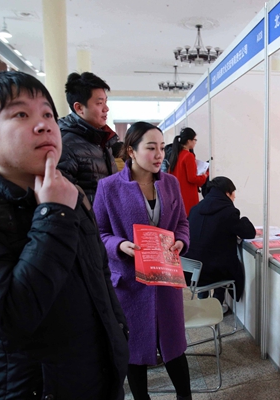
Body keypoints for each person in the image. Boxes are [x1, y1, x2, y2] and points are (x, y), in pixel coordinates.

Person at [0, 71, 129, 399]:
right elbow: (11, 316)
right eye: (21, 114)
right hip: (29, 386)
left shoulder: (67, 191)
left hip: (95, 375)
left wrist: (118, 339)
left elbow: (99, 279)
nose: (44, 124)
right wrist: (53, 215)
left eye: (47, 113)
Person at [93, 121, 192, 400]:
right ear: (131, 152)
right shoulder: (109, 187)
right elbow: (98, 233)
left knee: (174, 346)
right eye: (151, 148)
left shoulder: (170, 183)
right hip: (129, 282)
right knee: (134, 351)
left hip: (165, 277)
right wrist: (119, 244)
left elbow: (182, 223)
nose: (159, 154)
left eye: (162, 147)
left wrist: (181, 241)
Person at [186, 176, 255, 309]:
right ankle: (217, 304)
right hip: (213, 272)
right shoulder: (229, 212)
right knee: (223, 263)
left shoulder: (195, 209)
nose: (234, 197)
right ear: (227, 192)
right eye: (234, 193)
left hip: (191, 271)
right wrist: (244, 219)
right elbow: (249, 233)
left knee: (209, 255)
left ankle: (203, 301)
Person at [57, 71, 119, 203]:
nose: (106, 108)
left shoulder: (100, 139)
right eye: (99, 103)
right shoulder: (65, 145)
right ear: (79, 108)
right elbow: (64, 199)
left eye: (105, 102)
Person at [167, 127, 208, 216]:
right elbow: (192, 178)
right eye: (195, 139)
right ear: (189, 141)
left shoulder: (175, 156)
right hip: (188, 197)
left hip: (177, 196)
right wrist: (204, 176)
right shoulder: (189, 156)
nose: (195, 142)